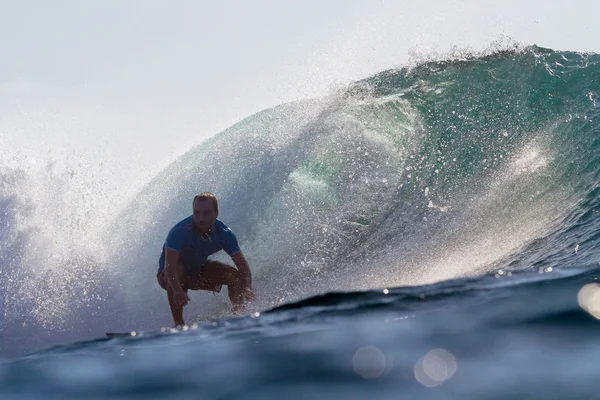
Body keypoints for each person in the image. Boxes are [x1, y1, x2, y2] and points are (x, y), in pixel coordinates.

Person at [157, 192, 254, 327]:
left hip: (197, 270)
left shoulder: (224, 233)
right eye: (197, 213)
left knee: (235, 276)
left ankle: (239, 317)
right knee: (177, 270)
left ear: (216, 213)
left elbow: (243, 266)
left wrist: (247, 287)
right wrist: (178, 290)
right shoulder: (179, 232)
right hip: (169, 275)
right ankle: (179, 324)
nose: (201, 218)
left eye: (206, 213)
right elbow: (169, 268)